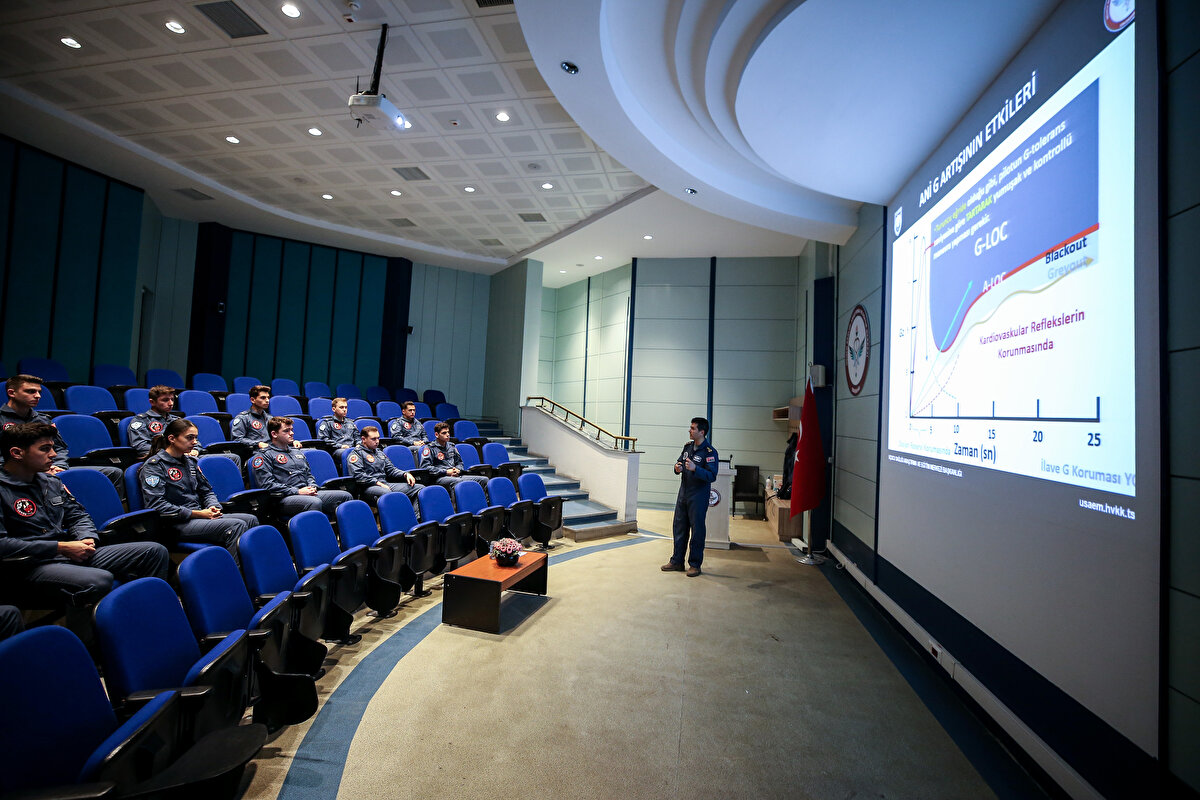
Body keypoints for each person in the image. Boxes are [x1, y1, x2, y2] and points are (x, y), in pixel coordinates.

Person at [0, 422, 169, 603]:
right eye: (45, 449)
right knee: (98, 580)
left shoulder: (51, 482)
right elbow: (3, 544)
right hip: (31, 564)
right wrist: (60, 547)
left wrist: (86, 538)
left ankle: (147, 610)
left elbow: (78, 516)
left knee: (154, 552)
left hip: (68, 552)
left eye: (53, 448)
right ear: (17, 453)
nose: (54, 454)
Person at [139, 418, 258, 562]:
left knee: (251, 520)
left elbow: (206, 491)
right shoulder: (154, 466)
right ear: (172, 439)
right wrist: (197, 514)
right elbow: (156, 504)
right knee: (236, 525)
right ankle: (237, 573)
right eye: (189, 438)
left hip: (200, 515)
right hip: (176, 523)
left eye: (196, 438)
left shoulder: (191, 462)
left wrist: (213, 507)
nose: (195, 442)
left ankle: (254, 569)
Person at [1, 374, 125, 498]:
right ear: (11, 393)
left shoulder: (43, 420)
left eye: (39, 392)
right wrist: (38, 470)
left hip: (50, 467)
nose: (38, 396)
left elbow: (59, 448)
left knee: (114, 473)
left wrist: (59, 467)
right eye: (30, 391)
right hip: (18, 472)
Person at [249, 417, 351, 521]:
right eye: (286, 431)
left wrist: (312, 486)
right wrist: (297, 491)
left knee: (345, 496)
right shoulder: (264, 456)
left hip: (306, 492)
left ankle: (345, 530)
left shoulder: (296, 452)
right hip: (284, 498)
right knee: (314, 502)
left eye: (291, 429)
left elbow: (308, 474)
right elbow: (267, 485)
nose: (291, 433)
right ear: (274, 434)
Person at [128, 385, 241, 468]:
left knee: (233, 458)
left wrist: (195, 450)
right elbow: (141, 446)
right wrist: (175, 451)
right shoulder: (141, 420)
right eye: (165, 400)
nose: (171, 403)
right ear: (152, 402)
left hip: (188, 456)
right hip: (164, 459)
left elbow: (195, 440)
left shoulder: (177, 420)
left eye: (172, 399)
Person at [662, 416, 718, 577]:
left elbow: (712, 476)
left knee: (697, 531)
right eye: (690, 427)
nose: (690, 430)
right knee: (679, 527)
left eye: (693, 428)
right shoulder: (688, 447)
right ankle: (677, 561)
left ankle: (694, 564)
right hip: (683, 494)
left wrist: (695, 469)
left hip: (698, 496)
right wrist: (677, 467)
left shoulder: (710, 452)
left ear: (702, 432)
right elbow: (680, 462)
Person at [348, 426, 420, 505]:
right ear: (363, 439)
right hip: (368, 487)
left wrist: (405, 474)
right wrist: (377, 483)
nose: (377, 441)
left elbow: (391, 469)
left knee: (419, 488)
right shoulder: (356, 454)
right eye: (373, 439)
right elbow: (358, 475)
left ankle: (413, 513)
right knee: (387, 493)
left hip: (385, 484)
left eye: (378, 438)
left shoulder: (379, 452)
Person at [418, 421, 487, 491]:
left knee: (484, 480)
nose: (447, 435)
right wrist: (446, 472)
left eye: (448, 432)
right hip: (440, 477)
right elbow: (425, 467)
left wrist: (457, 470)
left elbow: (459, 462)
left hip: (456, 475)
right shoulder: (430, 448)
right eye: (444, 433)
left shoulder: (452, 446)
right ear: (436, 434)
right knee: (459, 482)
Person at [230, 385, 273, 449]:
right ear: (253, 400)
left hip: (271, 450)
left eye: (268, 397)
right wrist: (257, 444)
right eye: (263, 398)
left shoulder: (270, 418)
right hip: (254, 450)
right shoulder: (243, 418)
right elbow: (237, 439)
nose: (267, 400)